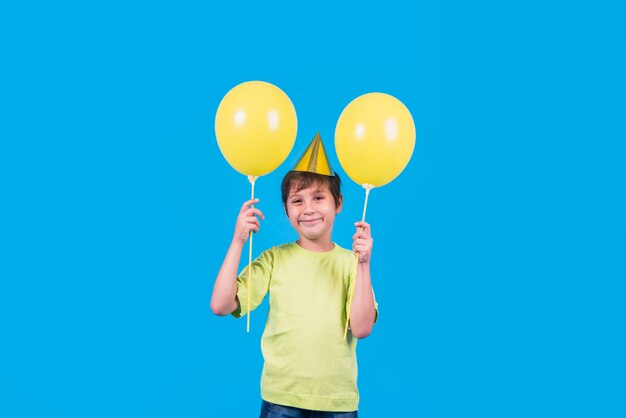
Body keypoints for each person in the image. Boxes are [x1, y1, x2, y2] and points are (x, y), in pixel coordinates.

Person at [210, 133, 378, 417]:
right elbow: (221, 305)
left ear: (338, 203)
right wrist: (238, 241)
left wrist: (363, 265)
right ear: (286, 211)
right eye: (297, 201)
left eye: (318, 197)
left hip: (337, 404)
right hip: (280, 401)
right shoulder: (274, 260)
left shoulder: (351, 264)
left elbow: (362, 328)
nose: (308, 208)